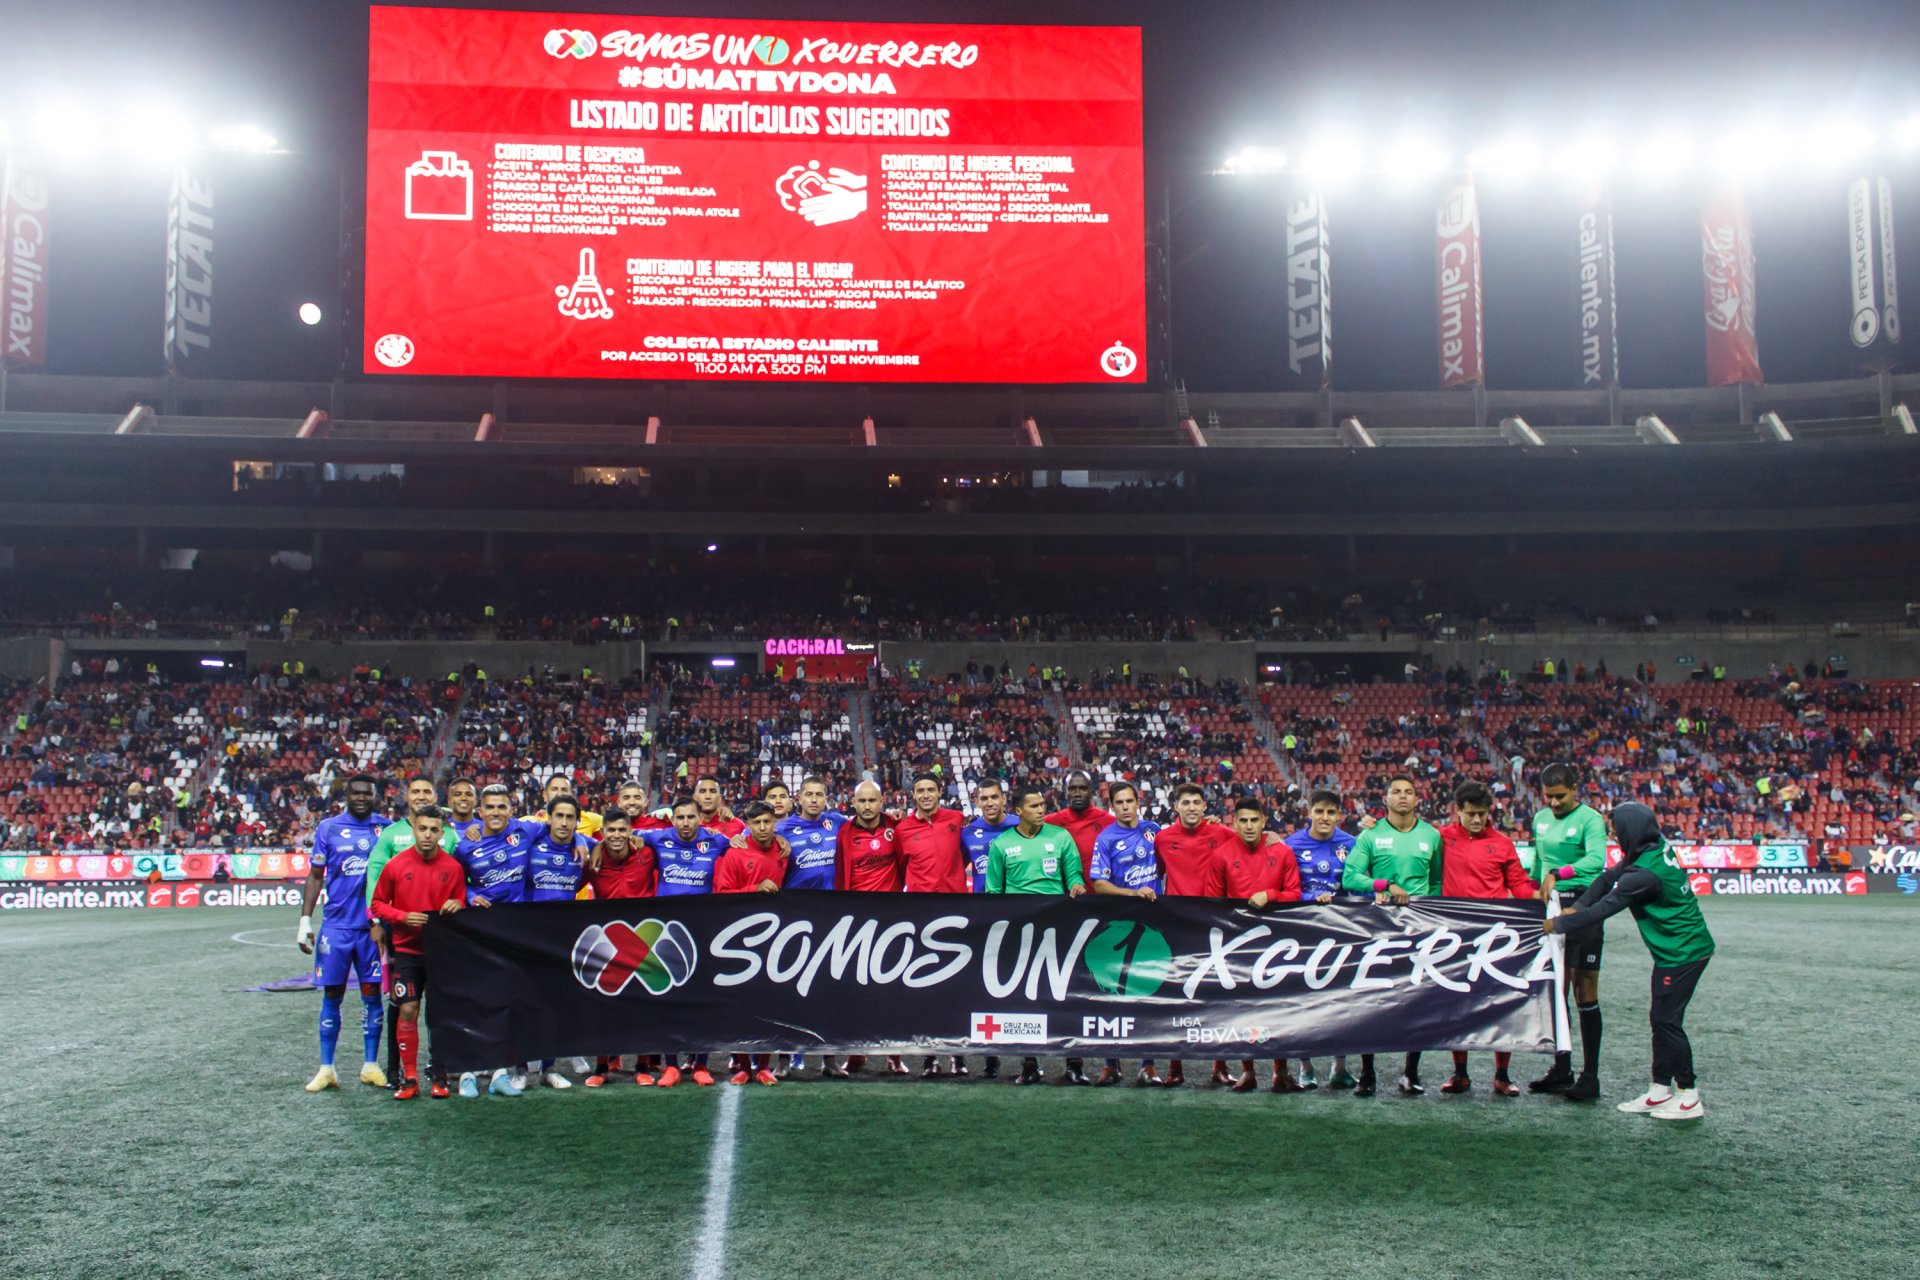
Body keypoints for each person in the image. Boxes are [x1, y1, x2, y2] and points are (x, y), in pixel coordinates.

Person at [1543, 803, 1712, 1120]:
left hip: (1684, 954)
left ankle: (1688, 1096)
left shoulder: (1643, 875)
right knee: (1660, 1018)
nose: (1614, 836)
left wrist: (1561, 924)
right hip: (1675, 951)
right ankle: (1660, 1089)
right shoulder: (1649, 849)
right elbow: (1606, 880)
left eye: (1616, 831)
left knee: (1667, 1022)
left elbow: (1605, 908)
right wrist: (1577, 906)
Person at [1341, 774, 1444, 1098]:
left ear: (1417, 799)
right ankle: (1367, 1073)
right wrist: (1383, 885)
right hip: (1379, 925)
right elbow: (1350, 877)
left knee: (1418, 1000)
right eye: (1396, 792)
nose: (1402, 797)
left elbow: (1438, 883)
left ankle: (1410, 1073)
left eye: (1408, 792)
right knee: (1371, 998)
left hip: (1420, 928)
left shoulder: (1432, 835)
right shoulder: (1371, 834)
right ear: (1386, 799)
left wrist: (1433, 916)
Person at [1435, 780, 1537, 1097]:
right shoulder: (1442, 838)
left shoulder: (1503, 843)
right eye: (1471, 815)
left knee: (1499, 1004)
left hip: (1495, 936)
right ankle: (1460, 1074)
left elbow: (1518, 884)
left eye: (1482, 814)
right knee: (1458, 1005)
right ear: (1457, 812)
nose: (1478, 820)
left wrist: (1536, 895)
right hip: (1455, 935)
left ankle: (1502, 1076)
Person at [986, 784, 1088, 1086]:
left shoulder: (1060, 837)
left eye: (1042, 804)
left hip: (1059, 928)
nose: (1041, 810)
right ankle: (1029, 1063)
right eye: (1034, 806)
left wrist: (1076, 887)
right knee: (1026, 997)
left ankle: (1074, 1064)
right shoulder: (1002, 845)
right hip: (1020, 933)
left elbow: (1074, 876)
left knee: (1065, 994)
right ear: (1018, 811)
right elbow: (994, 892)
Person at [362, 775, 460, 1085]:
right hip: (405, 949)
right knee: (407, 1008)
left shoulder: (453, 867)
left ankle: (440, 1076)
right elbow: (378, 904)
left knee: (439, 1013)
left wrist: (459, 903)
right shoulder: (395, 864)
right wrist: (402, 917)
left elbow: (460, 898)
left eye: (434, 830)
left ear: (441, 833)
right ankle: (409, 1077)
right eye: (422, 829)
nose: (428, 835)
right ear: (413, 827)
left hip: (441, 950)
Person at [297, 773, 389, 1092]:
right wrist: (305, 921)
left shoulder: (387, 829)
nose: (361, 798)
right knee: (332, 995)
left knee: (372, 996)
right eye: (356, 793)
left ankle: (371, 1065)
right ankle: (326, 1068)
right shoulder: (329, 828)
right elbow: (315, 875)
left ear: (375, 795)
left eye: (367, 793)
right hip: (336, 928)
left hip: (373, 928)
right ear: (346, 796)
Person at [1527, 762, 1612, 1103]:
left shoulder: (1590, 820)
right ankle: (1562, 1068)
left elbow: (1597, 861)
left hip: (1586, 904)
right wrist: (1533, 886)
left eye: (1560, 796)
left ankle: (1590, 1076)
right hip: (1552, 906)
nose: (1554, 803)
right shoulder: (1541, 818)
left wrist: (1558, 874)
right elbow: (1538, 861)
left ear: (1576, 789)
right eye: (1548, 797)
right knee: (1555, 987)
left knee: (1584, 988)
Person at [636, 796, 734, 1086]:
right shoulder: (659, 838)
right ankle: (671, 1066)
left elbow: (747, 842)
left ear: (699, 818)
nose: (686, 823)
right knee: (669, 1000)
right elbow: (625, 834)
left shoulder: (716, 840)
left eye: (691, 817)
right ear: (673, 819)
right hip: (666, 934)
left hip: (703, 931)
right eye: (680, 818)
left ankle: (701, 1064)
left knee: (702, 1000)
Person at [1222, 797, 1305, 1094]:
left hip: (1278, 944)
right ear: (1234, 823)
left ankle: (1280, 1071)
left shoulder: (1282, 853)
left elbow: (1295, 893)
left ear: (1263, 822)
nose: (1248, 826)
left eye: (1253, 820)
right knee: (1242, 1008)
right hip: (1238, 946)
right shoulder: (1222, 855)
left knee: (1278, 1007)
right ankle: (1247, 1071)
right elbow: (1211, 902)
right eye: (1242, 820)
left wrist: (1269, 894)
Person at [1155, 782, 1234, 1086]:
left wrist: (1275, 837)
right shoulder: (1163, 839)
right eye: (1185, 802)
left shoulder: (1221, 834)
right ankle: (1175, 1066)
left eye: (1196, 803)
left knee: (1216, 995)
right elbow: (1157, 873)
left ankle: (1220, 1064)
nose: (1191, 808)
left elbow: (1254, 841)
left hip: (1213, 925)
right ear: (1176, 806)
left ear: (1205, 807)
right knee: (1177, 996)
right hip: (1176, 925)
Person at [1085, 780, 1161, 1086]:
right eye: (1120, 803)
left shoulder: (1154, 830)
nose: (1126, 807)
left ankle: (1148, 1064)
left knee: (1149, 993)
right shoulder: (1105, 839)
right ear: (1112, 806)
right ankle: (1110, 1063)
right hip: (1116, 924)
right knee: (1110, 994)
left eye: (1130, 801)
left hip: (1153, 925)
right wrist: (1131, 894)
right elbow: (1099, 884)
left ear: (1138, 802)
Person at [1284, 789, 1359, 1089]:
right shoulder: (1291, 846)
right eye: (1319, 812)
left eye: (1331, 812)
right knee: (1305, 1001)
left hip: (1341, 935)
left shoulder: (1351, 844)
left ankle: (1339, 1067)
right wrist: (1311, 897)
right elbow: (1287, 889)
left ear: (1338, 815)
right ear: (1309, 812)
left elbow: (1357, 885)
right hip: (1304, 935)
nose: (1325, 818)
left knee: (1341, 1002)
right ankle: (1306, 1067)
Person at [834, 780, 909, 1076]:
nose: (867, 806)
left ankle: (895, 1053)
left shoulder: (896, 829)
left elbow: (906, 867)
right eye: (861, 801)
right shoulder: (845, 833)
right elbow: (841, 874)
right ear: (853, 803)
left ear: (882, 801)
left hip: (891, 920)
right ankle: (856, 1052)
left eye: (872, 800)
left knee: (893, 989)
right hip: (857, 920)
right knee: (854, 990)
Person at [897, 772, 970, 1076]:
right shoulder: (903, 829)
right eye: (920, 791)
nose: (925, 795)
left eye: (930, 790)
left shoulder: (955, 819)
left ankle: (958, 1053)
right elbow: (901, 869)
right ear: (912, 795)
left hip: (957, 914)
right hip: (921, 917)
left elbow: (965, 856)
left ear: (940, 792)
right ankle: (929, 1056)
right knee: (924, 988)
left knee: (958, 987)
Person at [519, 796, 595, 1090]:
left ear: (578, 822)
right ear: (548, 818)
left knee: (554, 1003)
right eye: (559, 816)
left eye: (570, 818)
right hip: (526, 934)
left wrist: (580, 840)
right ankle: (520, 1067)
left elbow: (613, 842)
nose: (563, 823)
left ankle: (549, 1068)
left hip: (562, 938)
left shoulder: (585, 848)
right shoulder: (530, 844)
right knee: (525, 1002)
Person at [713, 801, 788, 1086]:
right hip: (738, 937)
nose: (763, 828)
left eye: (767, 822)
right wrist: (754, 889)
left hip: (773, 936)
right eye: (756, 823)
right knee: (739, 1003)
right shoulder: (736, 854)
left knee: (770, 1001)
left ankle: (765, 1065)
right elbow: (722, 894)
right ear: (748, 824)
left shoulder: (783, 851)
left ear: (774, 823)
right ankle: (743, 1064)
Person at [582, 808, 658, 1088]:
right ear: (602, 833)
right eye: (610, 831)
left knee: (643, 1005)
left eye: (622, 830)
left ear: (630, 832)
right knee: (605, 1006)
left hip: (643, 940)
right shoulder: (593, 862)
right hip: (608, 942)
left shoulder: (647, 854)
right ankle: (602, 1066)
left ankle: (642, 1065)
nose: (616, 835)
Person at [958, 777, 1017, 1079]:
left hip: (1020, 917)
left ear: (1004, 799)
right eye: (984, 798)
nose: (990, 803)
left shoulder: (1021, 826)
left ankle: (1029, 1060)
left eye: (995, 797)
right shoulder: (969, 833)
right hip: (984, 919)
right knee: (985, 987)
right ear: (977, 801)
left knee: (1021, 986)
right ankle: (991, 1058)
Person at [1044, 769, 1114, 868]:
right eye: (1072, 789)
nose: (1077, 793)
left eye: (1083, 788)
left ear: (1091, 792)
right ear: (1065, 793)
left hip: (1097, 883)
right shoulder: (1050, 821)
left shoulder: (1108, 820)